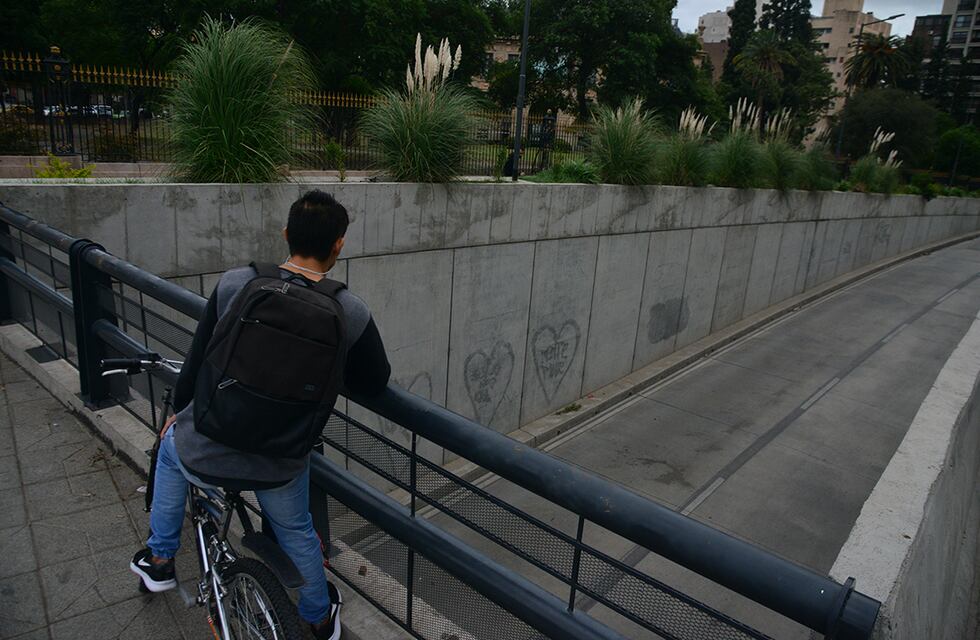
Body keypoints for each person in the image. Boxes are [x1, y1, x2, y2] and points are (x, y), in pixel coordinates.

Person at [128, 190, 391, 640]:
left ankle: (160, 559)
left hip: (208, 440)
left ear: (287, 235)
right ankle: (318, 616)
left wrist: (179, 413)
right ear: (339, 245)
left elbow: (198, 360)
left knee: (171, 450)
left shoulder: (236, 283)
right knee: (297, 531)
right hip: (280, 457)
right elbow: (374, 381)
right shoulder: (349, 310)